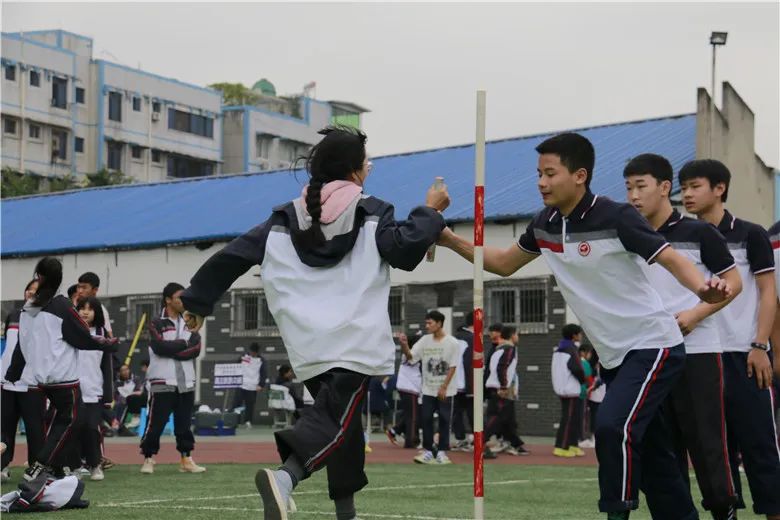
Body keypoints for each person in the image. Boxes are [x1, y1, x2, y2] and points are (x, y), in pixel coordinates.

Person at [437, 132, 732, 520]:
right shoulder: (544, 224)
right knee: (657, 456)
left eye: (549, 173)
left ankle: (616, 512)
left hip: (653, 345)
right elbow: (503, 263)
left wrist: (702, 289)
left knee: (611, 427)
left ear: (579, 175)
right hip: (614, 357)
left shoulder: (616, 216)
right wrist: (447, 238)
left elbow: (671, 258)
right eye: (538, 174)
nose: (541, 182)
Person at [179, 126, 449, 520]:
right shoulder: (373, 211)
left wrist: (197, 302)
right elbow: (405, 250)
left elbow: (232, 256)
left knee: (343, 424)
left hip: (307, 342)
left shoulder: (283, 218)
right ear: (357, 172)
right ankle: (286, 478)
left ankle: (346, 510)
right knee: (334, 421)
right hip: (353, 340)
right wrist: (431, 211)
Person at [625, 153, 743, 519]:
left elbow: (734, 283)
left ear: (663, 188)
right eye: (627, 188)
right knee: (661, 447)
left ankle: (724, 510)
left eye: (640, 186)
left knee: (707, 442)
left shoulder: (699, 232)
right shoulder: (628, 236)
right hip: (649, 356)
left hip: (699, 351)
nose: (632, 196)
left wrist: (695, 314)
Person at [678, 159, 780, 520]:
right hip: (701, 358)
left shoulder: (751, 234)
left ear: (720, 188)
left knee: (762, 450)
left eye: (694, 186)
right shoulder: (680, 238)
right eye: (683, 187)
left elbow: (769, 294)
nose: (686, 194)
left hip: (744, 356)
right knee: (713, 454)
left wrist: (760, 345)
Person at [5, 257, 118, 482]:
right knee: (72, 421)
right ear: (59, 279)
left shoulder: (28, 308)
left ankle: (56, 469)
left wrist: (13, 373)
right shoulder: (62, 305)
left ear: (39, 277)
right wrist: (108, 344)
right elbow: (82, 337)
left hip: (39, 378)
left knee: (57, 420)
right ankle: (40, 465)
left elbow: (21, 344)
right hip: (63, 377)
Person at [139, 282, 205, 475]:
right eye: (179, 297)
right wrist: (183, 344)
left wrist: (174, 349)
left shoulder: (191, 321)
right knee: (155, 423)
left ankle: (186, 459)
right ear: (168, 300)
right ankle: (149, 458)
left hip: (186, 382)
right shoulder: (156, 323)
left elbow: (196, 349)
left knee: (184, 423)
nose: (183, 301)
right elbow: (159, 347)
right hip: (161, 381)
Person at [400, 310, 460, 465]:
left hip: (446, 390)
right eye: (426, 323)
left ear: (439, 323)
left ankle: (441, 452)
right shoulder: (425, 340)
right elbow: (411, 358)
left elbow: (453, 366)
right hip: (427, 389)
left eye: (429, 323)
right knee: (425, 419)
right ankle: (428, 451)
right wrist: (405, 345)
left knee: (444, 420)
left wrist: (444, 387)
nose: (427, 326)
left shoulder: (452, 342)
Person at [1, 279, 46, 483]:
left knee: (35, 430)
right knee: (4, 427)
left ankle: (35, 469)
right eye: (29, 288)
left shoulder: (46, 318)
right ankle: (2, 466)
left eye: (36, 291)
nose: (30, 292)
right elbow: (9, 347)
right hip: (7, 382)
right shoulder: (13, 315)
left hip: (32, 384)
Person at [74, 296, 114, 481]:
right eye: (82, 308)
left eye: (90, 309)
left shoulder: (102, 333)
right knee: (74, 429)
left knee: (91, 428)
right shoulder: (71, 331)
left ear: (97, 312)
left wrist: (108, 396)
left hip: (94, 391)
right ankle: (74, 465)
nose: (85, 312)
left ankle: (95, 464)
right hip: (72, 389)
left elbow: (107, 367)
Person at [483, 325, 528, 457]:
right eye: (517, 334)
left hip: (496, 387)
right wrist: (503, 387)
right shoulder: (509, 349)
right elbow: (502, 368)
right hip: (501, 389)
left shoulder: (498, 349)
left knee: (509, 419)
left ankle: (516, 444)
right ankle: (480, 441)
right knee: (496, 417)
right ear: (512, 335)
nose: (518, 337)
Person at [551, 324, 586, 458]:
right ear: (574, 336)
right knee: (569, 418)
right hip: (570, 389)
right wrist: (583, 380)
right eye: (579, 333)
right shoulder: (572, 349)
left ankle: (572, 444)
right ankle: (561, 447)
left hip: (562, 387)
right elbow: (577, 368)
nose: (581, 336)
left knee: (574, 418)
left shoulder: (559, 349)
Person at [386, 332, 422, 449]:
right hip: (409, 388)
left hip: (408, 387)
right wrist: (405, 344)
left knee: (410, 414)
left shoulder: (411, 354)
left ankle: (394, 430)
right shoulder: (411, 354)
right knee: (412, 417)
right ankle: (411, 441)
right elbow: (409, 354)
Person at [452, 312, 475, 451]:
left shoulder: (455, 338)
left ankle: (460, 439)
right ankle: (475, 440)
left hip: (455, 383)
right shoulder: (472, 339)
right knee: (473, 412)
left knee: (457, 412)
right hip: (467, 383)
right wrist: (472, 387)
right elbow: (470, 363)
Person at [236, 342, 268, 428]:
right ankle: (236, 421)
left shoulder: (261, 360)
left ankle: (248, 421)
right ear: (249, 350)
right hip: (241, 384)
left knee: (250, 405)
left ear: (257, 352)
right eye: (252, 352)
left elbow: (263, 373)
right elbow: (236, 366)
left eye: (255, 352)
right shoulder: (243, 357)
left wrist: (261, 385)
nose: (253, 354)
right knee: (237, 403)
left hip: (253, 386)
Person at [76, 272, 112, 337]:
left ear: (95, 290)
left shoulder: (101, 310)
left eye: (84, 288)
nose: (80, 291)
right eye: (79, 287)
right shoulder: (74, 305)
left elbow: (109, 336)